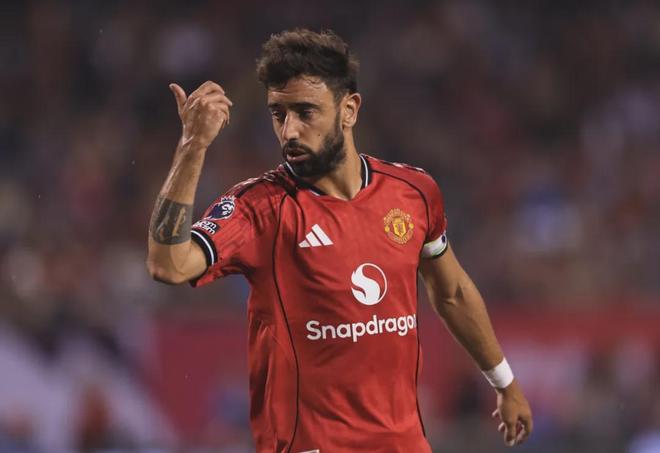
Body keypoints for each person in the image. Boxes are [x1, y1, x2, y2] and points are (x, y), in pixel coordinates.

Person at [147, 28, 532, 452]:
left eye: (305, 112)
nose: (289, 131)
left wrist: (505, 382)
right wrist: (193, 146)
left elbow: (452, 292)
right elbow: (168, 264)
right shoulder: (260, 208)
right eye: (278, 114)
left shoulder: (413, 192)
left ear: (349, 110)